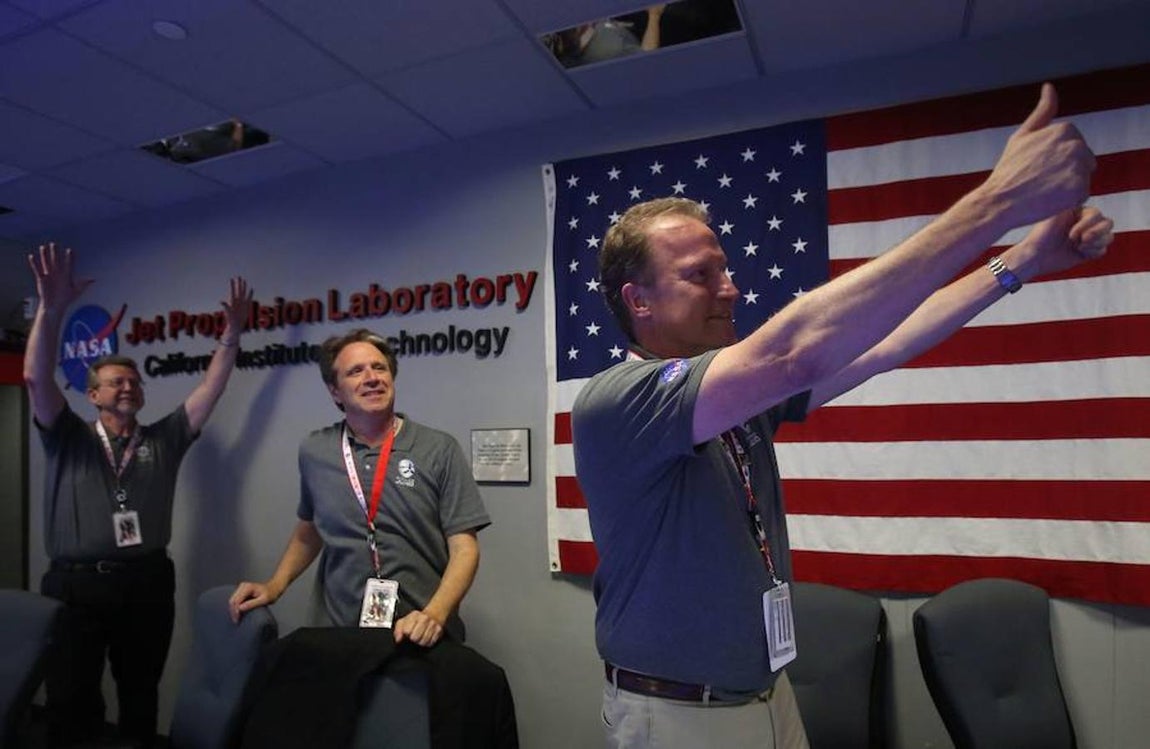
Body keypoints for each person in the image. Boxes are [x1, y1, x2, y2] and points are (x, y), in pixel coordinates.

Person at [572, 83, 1114, 748]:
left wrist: (1022, 261)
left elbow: (885, 344)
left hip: (768, 695)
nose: (731, 287)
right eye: (700, 274)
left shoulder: (732, 403)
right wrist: (997, 201)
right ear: (640, 301)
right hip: (681, 717)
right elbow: (794, 352)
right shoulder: (619, 398)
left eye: (727, 268)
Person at [24, 243, 251, 748]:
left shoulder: (164, 440)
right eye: (114, 382)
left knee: (141, 694)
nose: (126, 387)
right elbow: (35, 376)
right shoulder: (67, 435)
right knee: (71, 697)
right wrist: (50, 307)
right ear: (93, 394)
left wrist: (231, 336)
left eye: (133, 381)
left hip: (146, 583)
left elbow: (210, 390)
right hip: (75, 586)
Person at [228, 328, 490, 649]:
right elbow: (310, 529)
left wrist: (434, 615)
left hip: (421, 631)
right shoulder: (316, 450)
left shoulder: (438, 449)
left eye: (379, 368)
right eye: (355, 371)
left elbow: (465, 549)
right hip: (340, 630)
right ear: (335, 391)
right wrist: (275, 585)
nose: (371, 378)